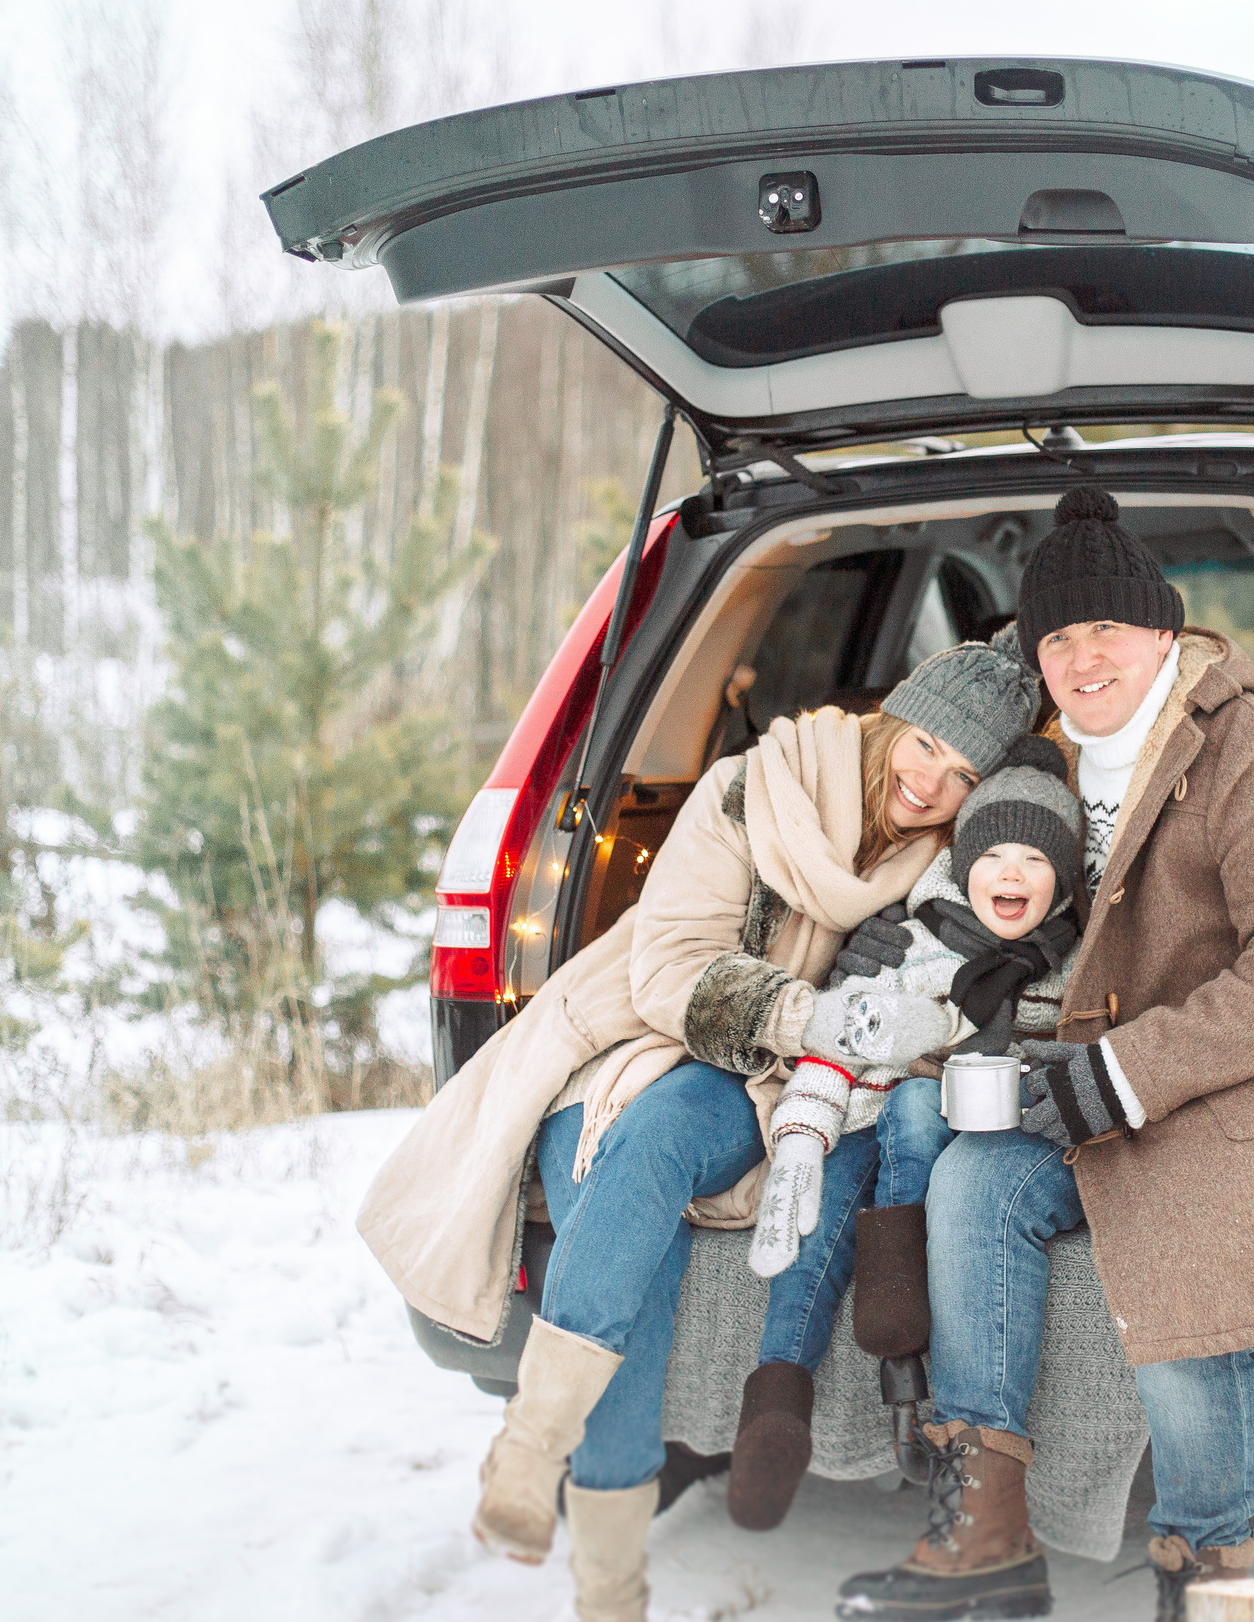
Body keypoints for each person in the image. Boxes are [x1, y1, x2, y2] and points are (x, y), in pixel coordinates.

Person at [352, 635, 1040, 1622]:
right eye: (926, 745)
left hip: (764, 1087)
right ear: (894, 716)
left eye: (963, 773)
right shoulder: (750, 789)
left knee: (664, 1134)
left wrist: (854, 1043)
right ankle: (589, 1553)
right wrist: (812, 1019)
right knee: (633, 1180)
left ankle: (542, 1463)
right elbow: (670, 972)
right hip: (625, 1038)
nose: (931, 783)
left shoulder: (942, 866)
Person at [838, 487, 1254, 1622]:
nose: (1080, 657)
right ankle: (987, 1539)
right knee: (969, 1178)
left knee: (1165, 1220)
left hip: (1246, 1086)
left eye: (1103, 628)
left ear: (1162, 632)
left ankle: (1203, 1567)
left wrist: (1117, 1076)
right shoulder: (1046, 761)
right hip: (1095, 1080)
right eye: (1057, 637)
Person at [742, 734, 1087, 1494]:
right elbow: (841, 1034)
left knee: (921, 1106)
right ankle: (775, 1397)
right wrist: (804, 1128)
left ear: (1062, 878)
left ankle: (899, 1331)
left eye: (1035, 859)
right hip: (879, 1118)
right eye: (994, 855)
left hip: (994, 1143)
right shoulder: (912, 937)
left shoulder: (1076, 958)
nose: (1011, 873)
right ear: (965, 868)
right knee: (832, 1188)